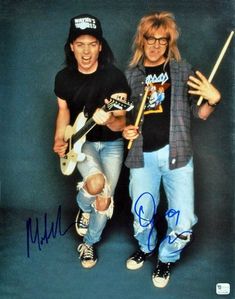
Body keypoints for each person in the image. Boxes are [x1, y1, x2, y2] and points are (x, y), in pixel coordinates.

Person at [122, 11, 221, 288]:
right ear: (141, 41)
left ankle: (166, 257)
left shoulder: (181, 70)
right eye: (149, 39)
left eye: (162, 40)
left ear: (169, 43)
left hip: (177, 156)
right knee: (141, 218)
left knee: (184, 220)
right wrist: (125, 129)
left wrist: (213, 100)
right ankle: (147, 246)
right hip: (142, 157)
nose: (155, 45)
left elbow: (198, 113)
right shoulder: (131, 75)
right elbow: (124, 118)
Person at [53, 14, 130, 269]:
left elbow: (121, 122)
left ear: (100, 46)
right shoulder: (63, 78)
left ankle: (89, 242)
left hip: (112, 144)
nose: (86, 51)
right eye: (80, 44)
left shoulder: (115, 78)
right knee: (96, 183)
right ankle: (83, 206)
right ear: (72, 47)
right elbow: (63, 111)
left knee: (104, 200)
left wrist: (108, 120)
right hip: (81, 142)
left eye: (92, 44)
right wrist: (59, 138)